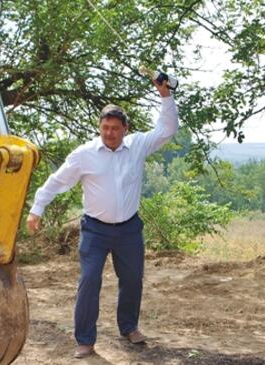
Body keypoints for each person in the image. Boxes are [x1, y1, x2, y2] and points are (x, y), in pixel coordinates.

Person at [26, 79, 179, 358]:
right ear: (100, 128)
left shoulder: (138, 146)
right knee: (90, 279)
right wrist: (37, 208)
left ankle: (129, 327)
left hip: (129, 229)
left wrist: (165, 95)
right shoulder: (84, 154)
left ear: (125, 130)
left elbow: (168, 129)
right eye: (105, 128)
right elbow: (57, 181)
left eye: (115, 129)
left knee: (132, 279)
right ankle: (85, 340)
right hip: (95, 230)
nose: (109, 133)